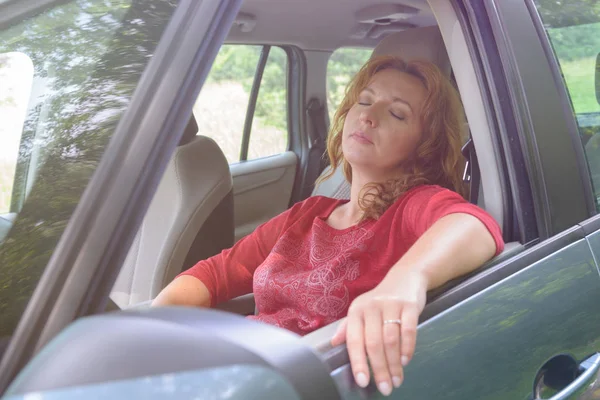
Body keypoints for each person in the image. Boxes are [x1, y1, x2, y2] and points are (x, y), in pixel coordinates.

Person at [152, 55, 504, 397]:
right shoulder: (308, 213)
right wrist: (152, 328)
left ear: (423, 147)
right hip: (237, 373)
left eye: (397, 113)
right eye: (363, 101)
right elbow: (214, 274)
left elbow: (474, 226)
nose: (368, 115)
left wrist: (405, 281)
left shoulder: (413, 207)